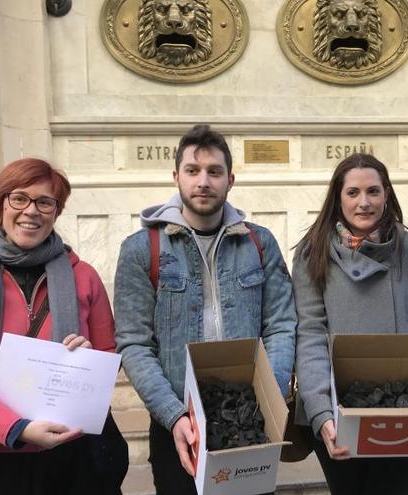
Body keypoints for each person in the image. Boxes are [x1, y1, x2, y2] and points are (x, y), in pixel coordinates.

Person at [114, 124, 296, 494]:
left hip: (247, 418)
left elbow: (281, 325)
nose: (203, 182)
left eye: (214, 172)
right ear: (176, 176)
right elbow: (134, 344)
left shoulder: (259, 243)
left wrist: (267, 397)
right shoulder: (140, 250)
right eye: (193, 171)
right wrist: (173, 414)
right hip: (178, 422)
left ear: (230, 180)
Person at [0, 158, 126, 494]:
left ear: (56, 211)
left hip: (75, 455)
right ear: (0, 205)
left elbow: (109, 353)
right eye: (19, 198)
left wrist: (90, 363)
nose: (31, 211)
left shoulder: (85, 277)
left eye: (45, 202)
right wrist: (17, 427)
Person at [293, 153, 408, 495]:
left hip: (404, 409)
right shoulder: (312, 253)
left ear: (387, 195)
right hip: (338, 411)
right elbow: (309, 335)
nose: (364, 202)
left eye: (373, 191)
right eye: (353, 193)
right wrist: (321, 412)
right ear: (338, 199)